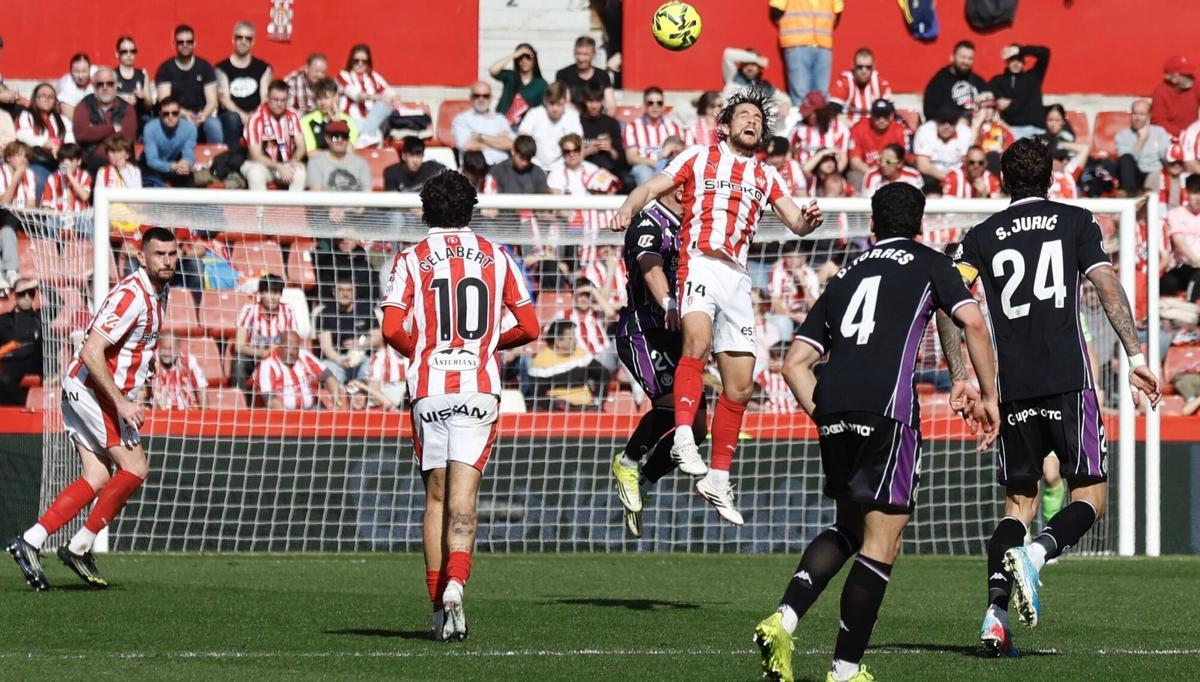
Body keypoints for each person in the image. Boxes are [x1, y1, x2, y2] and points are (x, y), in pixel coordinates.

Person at [753, 182, 999, 682]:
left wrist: (828, 417)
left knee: (848, 525)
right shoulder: (932, 262)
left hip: (835, 406)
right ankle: (844, 669)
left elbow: (795, 364)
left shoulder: (846, 273)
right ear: (919, 223)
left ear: (873, 224)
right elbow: (972, 322)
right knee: (882, 541)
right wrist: (987, 393)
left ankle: (785, 618)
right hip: (887, 411)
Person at [950, 138, 1161, 656]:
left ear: (1002, 180)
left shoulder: (980, 235)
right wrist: (1135, 358)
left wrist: (964, 376)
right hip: (1068, 380)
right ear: (1051, 177)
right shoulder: (1076, 221)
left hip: (1013, 387)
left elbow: (947, 305)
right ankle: (1039, 557)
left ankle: (995, 617)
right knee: (1090, 496)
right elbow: (1107, 288)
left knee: (1017, 505)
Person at [610, 87, 825, 524]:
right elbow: (650, 187)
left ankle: (718, 477)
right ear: (723, 126)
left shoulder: (767, 176)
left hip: (737, 278)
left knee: (741, 385)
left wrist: (808, 222)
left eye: (759, 119)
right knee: (697, 343)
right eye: (744, 115)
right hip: (701, 263)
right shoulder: (697, 157)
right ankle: (684, 438)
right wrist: (627, 207)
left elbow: (795, 222)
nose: (753, 122)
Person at [379, 170, 540, 641]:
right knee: (464, 501)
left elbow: (391, 329)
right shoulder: (497, 255)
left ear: (425, 211)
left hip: (430, 389)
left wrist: (423, 351)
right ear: (472, 209)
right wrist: (487, 345)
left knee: (434, 501)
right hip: (478, 388)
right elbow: (530, 327)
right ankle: (455, 586)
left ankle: (435, 610)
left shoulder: (411, 258)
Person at [6, 228, 178, 590]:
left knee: (98, 477)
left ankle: (31, 541)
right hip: (92, 390)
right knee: (135, 467)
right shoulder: (131, 295)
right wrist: (122, 401)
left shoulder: (160, 292)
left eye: (172, 254)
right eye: (159, 254)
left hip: (93, 389)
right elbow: (90, 350)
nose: (167, 261)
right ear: (142, 257)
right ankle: (80, 546)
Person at [611, 185, 695, 534]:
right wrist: (669, 303)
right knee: (671, 405)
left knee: (697, 427)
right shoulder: (649, 222)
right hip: (644, 331)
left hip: (676, 333)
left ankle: (642, 482)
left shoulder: (690, 223)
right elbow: (650, 265)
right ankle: (627, 462)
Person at [155, 24, 221, 144]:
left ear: (194, 43)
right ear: (174, 44)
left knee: (214, 126)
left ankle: (219, 160)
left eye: (189, 41)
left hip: (202, 114)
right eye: (181, 42)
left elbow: (212, 101)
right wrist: (184, 113)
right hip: (176, 114)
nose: (185, 45)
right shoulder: (165, 69)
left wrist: (203, 115)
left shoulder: (205, 66)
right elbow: (164, 101)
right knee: (188, 126)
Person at [234, 274, 297, 391]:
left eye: (277, 293)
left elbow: (291, 341)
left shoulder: (288, 310)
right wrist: (262, 353)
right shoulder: (249, 310)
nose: (273, 297)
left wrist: (275, 351)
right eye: (269, 292)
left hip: (279, 357)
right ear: (261, 293)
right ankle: (238, 399)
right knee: (239, 361)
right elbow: (238, 346)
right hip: (253, 356)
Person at [216, 20, 272, 150]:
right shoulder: (221, 68)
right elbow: (225, 100)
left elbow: (265, 98)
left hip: (256, 113)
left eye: (248, 38)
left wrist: (254, 117)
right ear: (233, 40)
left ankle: (266, 159)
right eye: (239, 37)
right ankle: (232, 160)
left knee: (268, 118)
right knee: (232, 119)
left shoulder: (263, 68)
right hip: (231, 115)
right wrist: (243, 116)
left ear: (253, 42)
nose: (243, 41)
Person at [242, 80, 306, 192]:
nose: (279, 103)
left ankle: (292, 209)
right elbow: (256, 155)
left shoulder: (293, 115)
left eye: (283, 100)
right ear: (267, 97)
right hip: (261, 165)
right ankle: (260, 210)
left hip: (287, 163)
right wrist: (278, 167)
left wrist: (294, 160)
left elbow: (301, 146)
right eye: (275, 100)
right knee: (255, 173)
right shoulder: (256, 119)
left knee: (300, 171)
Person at [253, 330, 343, 410]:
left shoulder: (304, 356)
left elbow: (329, 377)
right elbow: (270, 400)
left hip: (311, 411)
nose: (291, 352)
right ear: (279, 346)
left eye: (295, 348)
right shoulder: (267, 365)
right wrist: (290, 419)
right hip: (282, 416)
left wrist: (337, 403)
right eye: (287, 347)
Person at [774, 0, 843, 103]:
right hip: (797, 44)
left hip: (822, 45)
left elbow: (838, 11)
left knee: (821, 97)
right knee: (800, 97)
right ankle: (800, 119)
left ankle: (818, 118)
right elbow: (776, 10)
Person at [316, 274, 379, 385]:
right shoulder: (325, 313)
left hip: (363, 358)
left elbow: (377, 337)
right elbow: (327, 348)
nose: (345, 294)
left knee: (374, 368)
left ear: (355, 292)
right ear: (334, 292)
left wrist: (360, 344)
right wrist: (339, 360)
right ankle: (340, 398)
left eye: (349, 290)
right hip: (336, 360)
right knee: (328, 373)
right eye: (341, 290)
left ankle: (364, 393)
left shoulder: (366, 310)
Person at [73, 68, 137, 175]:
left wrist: (94, 132)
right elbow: (82, 134)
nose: (105, 87)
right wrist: (112, 129)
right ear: (93, 86)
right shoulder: (84, 105)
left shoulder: (127, 108)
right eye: (100, 84)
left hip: (122, 163)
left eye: (110, 83)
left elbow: (128, 138)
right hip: (91, 163)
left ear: (116, 85)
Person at [15, 83, 74, 198]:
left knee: (69, 177)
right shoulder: (27, 115)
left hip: (59, 161)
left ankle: (64, 212)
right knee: (41, 179)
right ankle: (38, 214)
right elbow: (23, 135)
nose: (46, 99)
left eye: (50, 97)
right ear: (35, 98)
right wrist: (45, 143)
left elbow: (71, 138)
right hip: (37, 161)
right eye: (42, 96)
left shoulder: (62, 119)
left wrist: (60, 148)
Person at [623, 86, 686, 186]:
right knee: (644, 173)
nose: (655, 106)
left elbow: (683, 154)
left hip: (668, 167)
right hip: (643, 166)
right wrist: (657, 163)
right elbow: (631, 158)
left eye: (659, 103)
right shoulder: (632, 126)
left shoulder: (674, 127)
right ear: (644, 105)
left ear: (663, 105)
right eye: (650, 103)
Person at [336, 44, 395, 148]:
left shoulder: (373, 77)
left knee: (384, 106)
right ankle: (367, 136)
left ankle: (365, 136)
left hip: (371, 121)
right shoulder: (343, 75)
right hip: (351, 121)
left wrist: (395, 99)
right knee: (376, 135)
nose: (360, 64)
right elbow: (355, 95)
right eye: (356, 61)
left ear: (368, 63)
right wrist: (377, 97)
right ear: (351, 61)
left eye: (364, 61)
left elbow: (390, 92)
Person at [989, 44, 1050, 139]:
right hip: (1013, 131)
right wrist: (996, 101)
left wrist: (1020, 50)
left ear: (1024, 62)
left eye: (1019, 59)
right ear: (1007, 61)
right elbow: (984, 96)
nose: (1016, 63)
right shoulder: (997, 81)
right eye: (1012, 60)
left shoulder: (1034, 76)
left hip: (1037, 130)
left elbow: (1045, 53)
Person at [517, 81, 582, 170]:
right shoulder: (534, 113)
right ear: (545, 101)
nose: (555, 109)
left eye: (559, 104)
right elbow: (522, 136)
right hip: (534, 165)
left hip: (562, 167)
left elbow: (578, 143)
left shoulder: (572, 116)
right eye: (552, 103)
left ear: (565, 102)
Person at [0, 141, 37, 290]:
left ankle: (9, 274)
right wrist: (16, 178)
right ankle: (11, 273)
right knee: (8, 228)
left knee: (13, 221)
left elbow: (31, 206)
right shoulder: (1, 172)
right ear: (9, 157)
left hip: (21, 217)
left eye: (25, 156)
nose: (23, 159)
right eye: (19, 155)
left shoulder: (29, 174)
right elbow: (3, 203)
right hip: (4, 215)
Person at [0, 277, 42, 405]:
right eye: (23, 293)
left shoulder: (39, 316)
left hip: (32, 360)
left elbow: (58, 302)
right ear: (14, 296)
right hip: (9, 361)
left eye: (31, 293)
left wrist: (39, 284)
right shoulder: (4, 320)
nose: (28, 297)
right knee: (5, 376)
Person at [451, 82, 513, 166]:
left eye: (485, 96)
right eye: (477, 96)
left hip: (501, 169)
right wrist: (498, 141)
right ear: (471, 98)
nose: (481, 99)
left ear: (490, 98)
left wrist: (480, 137)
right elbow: (466, 146)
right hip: (476, 170)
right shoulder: (461, 119)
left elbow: (510, 144)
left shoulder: (501, 119)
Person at [922, 40, 987, 121]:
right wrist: (953, 121)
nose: (966, 62)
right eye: (963, 57)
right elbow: (929, 111)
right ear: (952, 57)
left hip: (974, 126)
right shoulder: (939, 81)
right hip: (948, 126)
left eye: (970, 58)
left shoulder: (978, 81)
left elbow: (988, 106)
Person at [1115, 100, 1169, 195]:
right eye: (1135, 113)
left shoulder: (1159, 132)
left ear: (1149, 116)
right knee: (1126, 158)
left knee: (1159, 175)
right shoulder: (1122, 135)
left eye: (1142, 114)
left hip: (1154, 173)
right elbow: (1128, 162)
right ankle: (1130, 195)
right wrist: (1142, 140)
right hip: (1134, 175)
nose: (1137, 118)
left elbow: (1166, 157)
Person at [140, 96, 196, 188]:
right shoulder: (150, 128)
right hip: (151, 168)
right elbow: (151, 160)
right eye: (166, 114)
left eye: (175, 113)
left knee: (189, 178)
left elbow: (189, 153)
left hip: (175, 165)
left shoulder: (190, 129)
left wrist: (186, 163)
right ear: (160, 114)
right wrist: (172, 166)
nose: (170, 117)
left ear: (180, 114)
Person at [828, 48, 893, 124]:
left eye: (868, 67)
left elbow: (890, 112)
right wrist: (856, 130)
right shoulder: (845, 80)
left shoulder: (880, 82)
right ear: (853, 66)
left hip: (874, 128)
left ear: (873, 67)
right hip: (849, 126)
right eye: (860, 67)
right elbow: (833, 111)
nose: (864, 71)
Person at [488, 43, 546, 127]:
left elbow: (542, 109)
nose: (524, 60)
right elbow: (492, 70)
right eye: (520, 57)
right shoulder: (510, 76)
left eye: (528, 57)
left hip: (523, 128)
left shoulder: (541, 84)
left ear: (534, 60)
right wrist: (514, 55)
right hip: (500, 123)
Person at [1161, 174, 1200, 301]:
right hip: (1183, 266)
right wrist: (1196, 261)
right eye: (1194, 192)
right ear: (1187, 193)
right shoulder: (1175, 214)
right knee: (1168, 282)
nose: (1198, 197)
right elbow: (1179, 243)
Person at [554, 36, 616, 114]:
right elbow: (565, 103)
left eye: (585, 55)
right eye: (578, 54)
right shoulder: (563, 74)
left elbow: (611, 104)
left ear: (593, 55)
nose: (581, 59)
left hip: (597, 119)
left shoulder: (603, 75)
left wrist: (607, 122)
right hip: (573, 119)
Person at [847, 99, 908, 177]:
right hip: (865, 171)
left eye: (885, 116)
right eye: (878, 116)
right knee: (853, 176)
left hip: (891, 171)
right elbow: (855, 162)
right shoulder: (859, 128)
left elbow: (901, 160)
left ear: (891, 116)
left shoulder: (898, 129)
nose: (881, 120)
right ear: (871, 115)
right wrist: (874, 175)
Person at [146, 332, 207, 410]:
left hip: (187, 413)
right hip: (158, 414)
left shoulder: (189, 361)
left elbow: (201, 392)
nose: (166, 353)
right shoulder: (150, 362)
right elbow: (141, 393)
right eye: (164, 348)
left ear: (178, 348)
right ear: (158, 347)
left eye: (170, 349)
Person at [305, 120, 369, 193]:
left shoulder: (361, 164)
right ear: (327, 138)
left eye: (344, 136)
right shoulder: (315, 164)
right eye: (335, 137)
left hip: (352, 203)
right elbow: (316, 195)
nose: (340, 140)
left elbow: (367, 195)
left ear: (348, 139)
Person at [789, 91, 849, 170]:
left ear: (821, 112)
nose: (807, 116)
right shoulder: (799, 127)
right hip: (804, 172)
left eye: (811, 113)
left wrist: (833, 175)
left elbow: (843, 158)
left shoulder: (839, 128)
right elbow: (790, 150)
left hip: (830, 173)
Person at [578, 82, 625, 182]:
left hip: (609, 171)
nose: (594, 106)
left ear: (602, 101)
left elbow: (621, 159)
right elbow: (570, 156)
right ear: (584, 101)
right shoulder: (577, 123)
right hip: (583, 172)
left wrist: (610, 149)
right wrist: (588, 151)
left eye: (597, 101)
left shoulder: (611, 123)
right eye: (590, 101)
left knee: (627, 181)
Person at [913, 105, 973, 182]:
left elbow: (967, 162)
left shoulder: (964, 132)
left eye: (951, 122)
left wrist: (955, 180)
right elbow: (923, 165)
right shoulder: (925, 130)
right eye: (943, 121)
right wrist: (947, 179)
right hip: (933, 175)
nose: (946, 126)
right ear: (936, 121)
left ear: (956, 122)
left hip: (957, 177)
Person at [299, 78, 358, 152]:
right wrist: (336, 154)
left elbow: (350, 152)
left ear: (335, 97)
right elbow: (311, 153)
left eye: (326, 98)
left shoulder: (347, 121)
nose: (322, 102)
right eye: (319, 98)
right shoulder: (307, 121)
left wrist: (338, 125)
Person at [1150, 55, 1200, 139]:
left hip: (1192, 135)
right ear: (1174, 78)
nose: (1191, 77)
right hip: (1169, 137)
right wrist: (1183, 134)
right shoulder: (1161, 92)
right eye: (1186, 75)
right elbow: (1159, 122)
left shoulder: (1195, 84)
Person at [482, 135, 547, 194]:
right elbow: (491, 202)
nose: (525, 163)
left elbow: (544, 201)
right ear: (513, 151)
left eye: (528, 159)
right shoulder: (497, 172)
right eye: (521, 158)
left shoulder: (538, 173)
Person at [113, 36, 154, 128]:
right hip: (118, 120)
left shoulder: (142, 75)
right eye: (124, 51)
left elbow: (149, 106)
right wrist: (120, 97)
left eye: (132, 51)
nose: (129, 55)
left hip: (139, 119)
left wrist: (142, 96)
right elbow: (103, 101)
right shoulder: (112, 75)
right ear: (117, 54)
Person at [40, 143, 92, 213]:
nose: (65, 164)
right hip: (58, 219)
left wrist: (70, 176)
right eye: (62, 160)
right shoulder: (52, 178)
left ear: (79, 161)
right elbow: (46, 204)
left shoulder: (84, 176)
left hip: (80, 218)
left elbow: (85, 196)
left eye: (70, 161)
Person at [55, 53, 95, 120]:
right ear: (70, 71)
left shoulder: (96, 79)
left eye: (84, 71)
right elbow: (74, 118)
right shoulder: (66, 85)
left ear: (90, 70)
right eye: (76, 72)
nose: (80, 76)